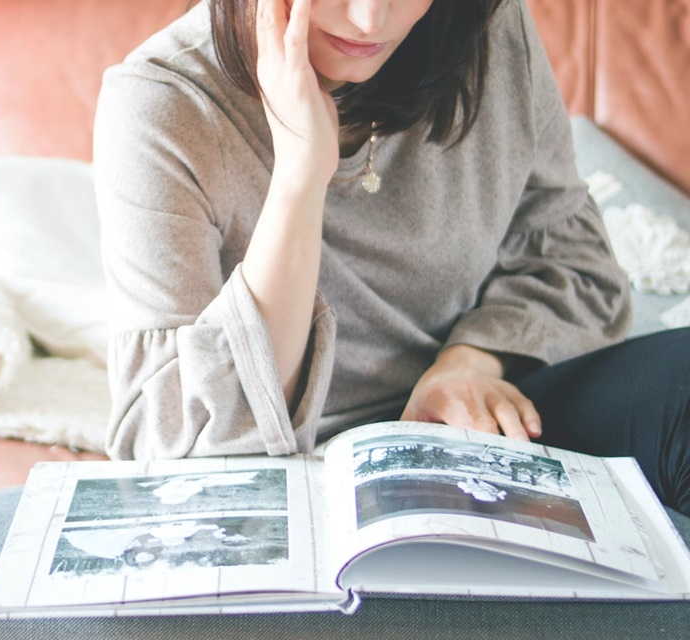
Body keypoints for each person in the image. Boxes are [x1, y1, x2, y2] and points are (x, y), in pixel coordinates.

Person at [92, 0, 690, 515]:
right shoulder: (162, 105)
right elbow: (174, 451)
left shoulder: (483, 27)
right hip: (301, 482)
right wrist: (301, 173)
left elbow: (573, 256)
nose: (370, 19)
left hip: (485, 419)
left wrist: (469, 365)